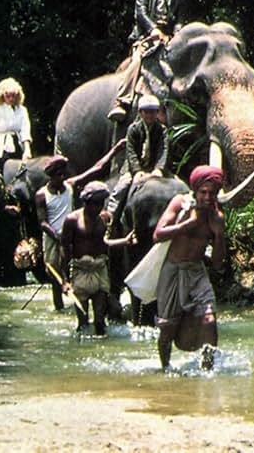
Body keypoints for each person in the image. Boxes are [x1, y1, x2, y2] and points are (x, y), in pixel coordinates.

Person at [35, 141, 125, 311]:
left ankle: (83, 301)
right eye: (58, 175)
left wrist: (115, 150)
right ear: (51, 176)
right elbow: (42, 222)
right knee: (56, 275)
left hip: (74, 233)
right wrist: (58, 236)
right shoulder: (41, 195)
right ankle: (59, 306)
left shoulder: (70, 186)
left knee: (82, 267)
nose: (62, 178)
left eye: (63, 174)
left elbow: (97, 168)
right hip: (53, 237)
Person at [152, 165, 225, 371]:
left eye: (212, 193)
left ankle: (207, 369)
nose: (208, 198)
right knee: (168, 329)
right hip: (173, 271)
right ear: (195, 190)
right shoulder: (180, 204)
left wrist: (219, 234)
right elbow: (158, 234)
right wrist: (187, 225)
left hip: (196, 272)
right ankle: (165, 368)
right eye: (203, 192)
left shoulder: (216, 215)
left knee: (210, 318)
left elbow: (218, 263)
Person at [108, 0, 189, 121]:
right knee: (137, 60)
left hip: (169, 40)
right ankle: (122, 101)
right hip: (146, 37)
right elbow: (141, 13)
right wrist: (154, 30)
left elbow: (180, 21)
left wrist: (177, 35)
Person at [60, 181, 135, 336]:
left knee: (100, 321)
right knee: (83, 322)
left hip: (100, 270)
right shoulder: (72, 220)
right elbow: (65, 249)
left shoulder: (105, 219)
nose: (98, 208)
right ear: (86, 202)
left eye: (101, 203)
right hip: (80, 271)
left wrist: (124, 242)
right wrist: (65, 280)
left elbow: (106, 243)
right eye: (95, 204)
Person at [107, 94, 168, 224]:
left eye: (153, 112)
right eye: (146, 112)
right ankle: (110, 217)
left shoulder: (161, 130)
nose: (150, 115)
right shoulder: (133, 129)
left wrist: (159, 168)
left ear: (157, 113)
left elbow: (163, 150)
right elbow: (131, 152)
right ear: (140, 112)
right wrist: (137, 170)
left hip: (153, 167)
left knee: (176, 185)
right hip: (134, 168)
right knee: (122, 187)